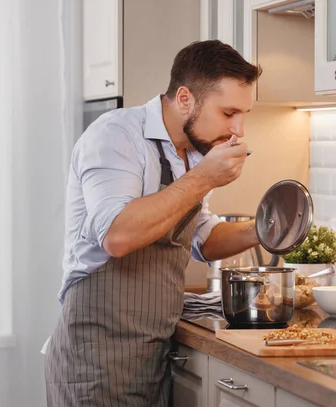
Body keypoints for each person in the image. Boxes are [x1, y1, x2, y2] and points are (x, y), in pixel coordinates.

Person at [44, 40, 262, 406]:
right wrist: (204, 179)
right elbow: (117, 234)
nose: (238, 129)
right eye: (228, 113)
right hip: (94, 360)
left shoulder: (192, 153)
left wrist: (263, 230)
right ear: (184, 98)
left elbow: (201, 238)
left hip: (151, 355)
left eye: (244, 114)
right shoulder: (116, 135)